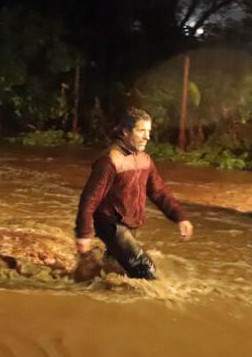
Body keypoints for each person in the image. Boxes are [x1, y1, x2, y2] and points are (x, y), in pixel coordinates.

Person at [75, 108, 194, 279]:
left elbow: (158, 191)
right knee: (146, 270)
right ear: (125, 131)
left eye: (149, 131)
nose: (147, 137)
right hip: (111, 224)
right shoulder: (109, 161)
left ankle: (90, 286)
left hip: (130, 223)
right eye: (141, 131)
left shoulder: (145, 159)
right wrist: (83, 234)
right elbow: (89, 199)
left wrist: (180, 217)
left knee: (116, 271)